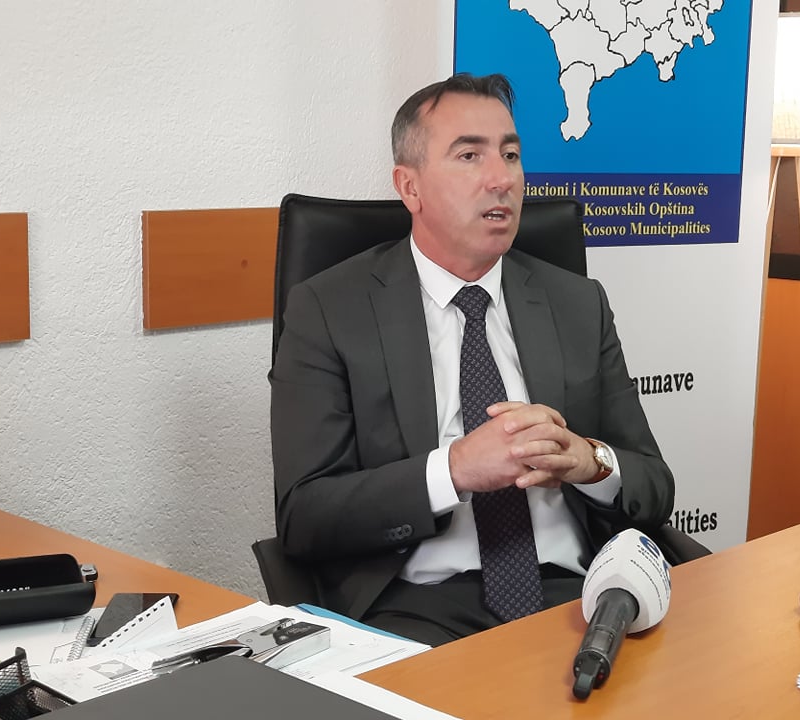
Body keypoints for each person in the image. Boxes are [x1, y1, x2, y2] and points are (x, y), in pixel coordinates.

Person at [270, 73, 675, 646]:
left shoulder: (577, 303)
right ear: (409, 187)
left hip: (576, 597)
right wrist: (455, 469)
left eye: (511, 155)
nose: (501, 179)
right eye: (469, 155)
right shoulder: (329, 309)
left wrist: (589, 461)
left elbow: (655, 485)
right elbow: (304, 515)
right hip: (416, 607)